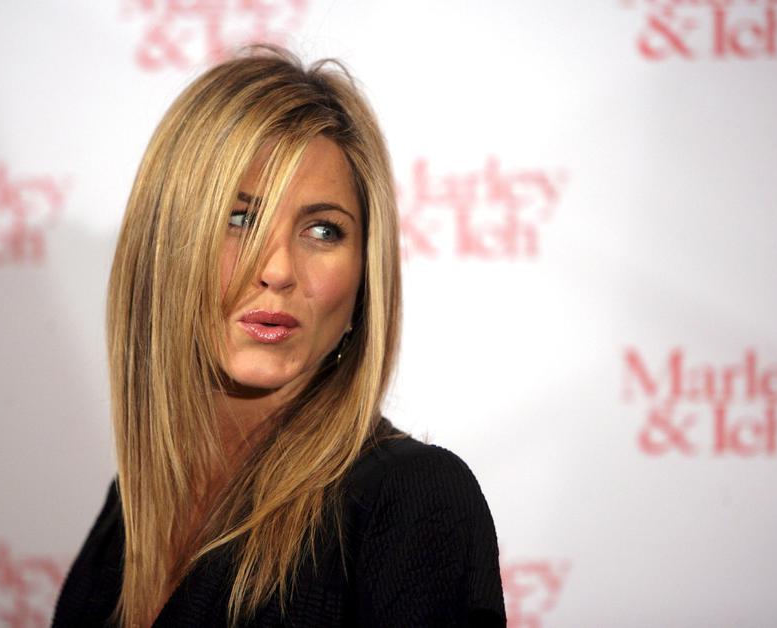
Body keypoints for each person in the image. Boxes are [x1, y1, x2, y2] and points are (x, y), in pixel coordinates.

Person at [52, 46, 506, 627]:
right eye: (240, 218)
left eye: (323, 230)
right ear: (163, 248)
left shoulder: (410, 501)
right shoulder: (131, 507)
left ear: (365, 277)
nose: (279, 270)